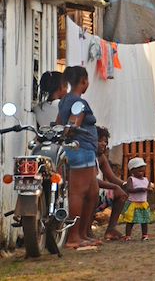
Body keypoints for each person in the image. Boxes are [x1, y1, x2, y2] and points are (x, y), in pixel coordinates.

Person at [58, 66, 101, 249]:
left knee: (92, 193)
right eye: (87, 80)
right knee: (78, 193)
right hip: (80, 150)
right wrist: (70, 131)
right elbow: (71, 124)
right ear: (83, 81)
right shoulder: (78, 103)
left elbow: (59, 122)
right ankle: (73, 236)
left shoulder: (66, 100)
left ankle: (83, 233)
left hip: (85, 151)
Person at [95, 127, 128, 241]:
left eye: (105, 142)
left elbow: (112, 178)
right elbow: (90, 180)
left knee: (121, 194)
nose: (103, 144)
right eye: (100, 140)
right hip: (85, 194)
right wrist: (114, 186)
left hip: (98, 194)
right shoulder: (85, 157)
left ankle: (111, 229)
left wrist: (125, 184)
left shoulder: (101, 158)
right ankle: (85, 231)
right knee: (92, 193)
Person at [121, 157, 153, 241]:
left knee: (144, 220)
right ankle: (128, 235)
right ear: (132, 171)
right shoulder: (131, 179)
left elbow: (148, 190)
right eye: (139, 170)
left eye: (142, 170)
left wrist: (149, 191)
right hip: (133, 203)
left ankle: (144, 234)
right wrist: (140, 189)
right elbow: (129, 189)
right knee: (130, 220)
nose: (141, 172)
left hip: (143, 203)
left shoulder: (146, 180)